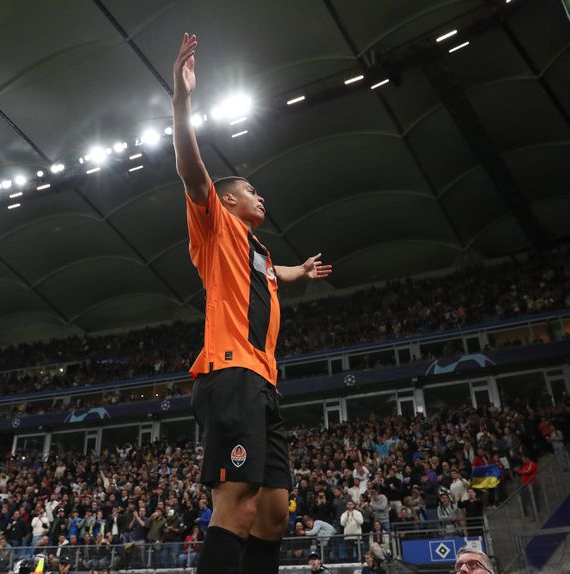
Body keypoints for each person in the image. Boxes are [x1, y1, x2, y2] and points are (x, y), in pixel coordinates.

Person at [172, 32, 332, 574]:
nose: (260, 197)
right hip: (231, 373)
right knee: (238, 504)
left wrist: (299, 271)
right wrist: (182, 99)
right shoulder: (215, 224)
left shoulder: (258, 250)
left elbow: (272, 274)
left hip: (264, 382)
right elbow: (191, 170)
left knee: (274, 513)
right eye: (251, 191)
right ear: (229, 199)